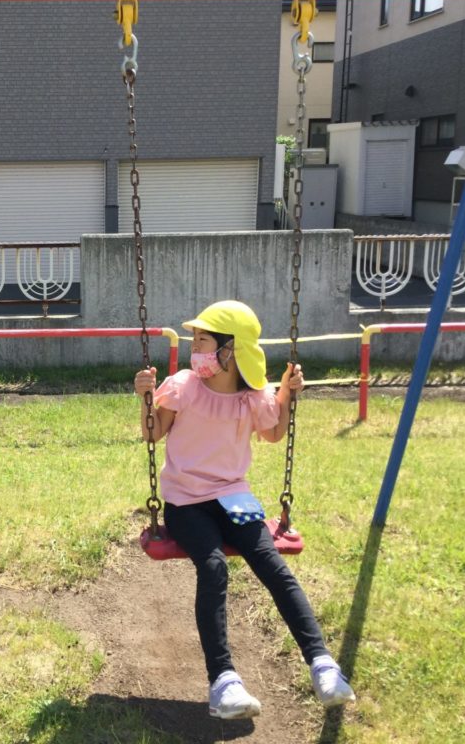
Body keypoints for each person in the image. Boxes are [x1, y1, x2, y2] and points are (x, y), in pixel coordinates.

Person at [133, 300, 355, 720]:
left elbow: (273, 434)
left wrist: (288, 392)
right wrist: (144, 397)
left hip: (234, 498)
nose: (193, 346)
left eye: (201, 340)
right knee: (213, 567)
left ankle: (323, 664)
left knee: (273, 567)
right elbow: (153, 432)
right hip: (187, 503)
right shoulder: (183, 386)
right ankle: (224, 681)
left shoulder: (253, 397)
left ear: (229, 350)